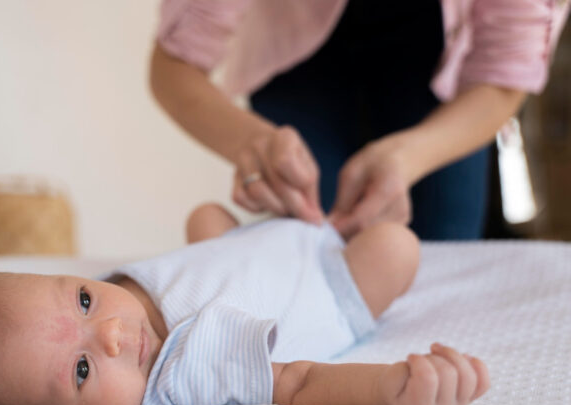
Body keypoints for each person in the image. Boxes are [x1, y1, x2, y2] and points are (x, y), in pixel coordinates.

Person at [0, 206, 489, 405]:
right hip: (323, 279)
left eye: (82, 299)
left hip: (244, 244)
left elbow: (8, 337)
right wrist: (390, 388)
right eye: (80, 371)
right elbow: (300, 382)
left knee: (206, 216)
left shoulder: (102, 308)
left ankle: (286, 222)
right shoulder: (183, 370)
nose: (113, 334)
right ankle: (347, 234)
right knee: (396, 245)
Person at [150, 0, 570, 240]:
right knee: (317, 238)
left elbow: (503, 76)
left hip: (437, 66)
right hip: (297, 62)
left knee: (445, 241)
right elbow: (174, 65)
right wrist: (251, 143)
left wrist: (407, 157)